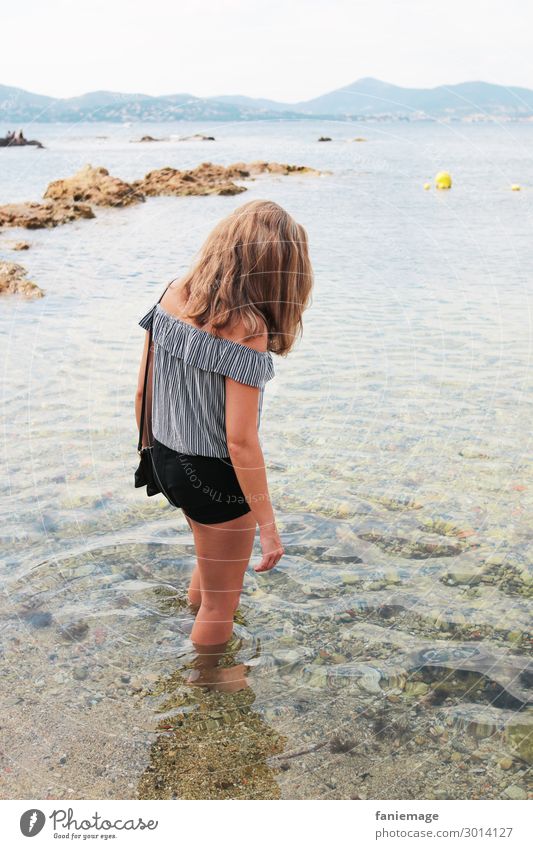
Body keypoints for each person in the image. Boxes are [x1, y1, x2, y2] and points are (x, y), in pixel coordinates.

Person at [135, 199, 313, 649]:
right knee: (222, 604)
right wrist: (267, 524)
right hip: (214, 475)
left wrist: (150, 454)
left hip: (164, 453)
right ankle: (209, 691)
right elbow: (240, 439)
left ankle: (195, 631)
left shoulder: (174, 291)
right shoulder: (248, 328)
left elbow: (142, 389)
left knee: (210, 571)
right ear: (278, 271)